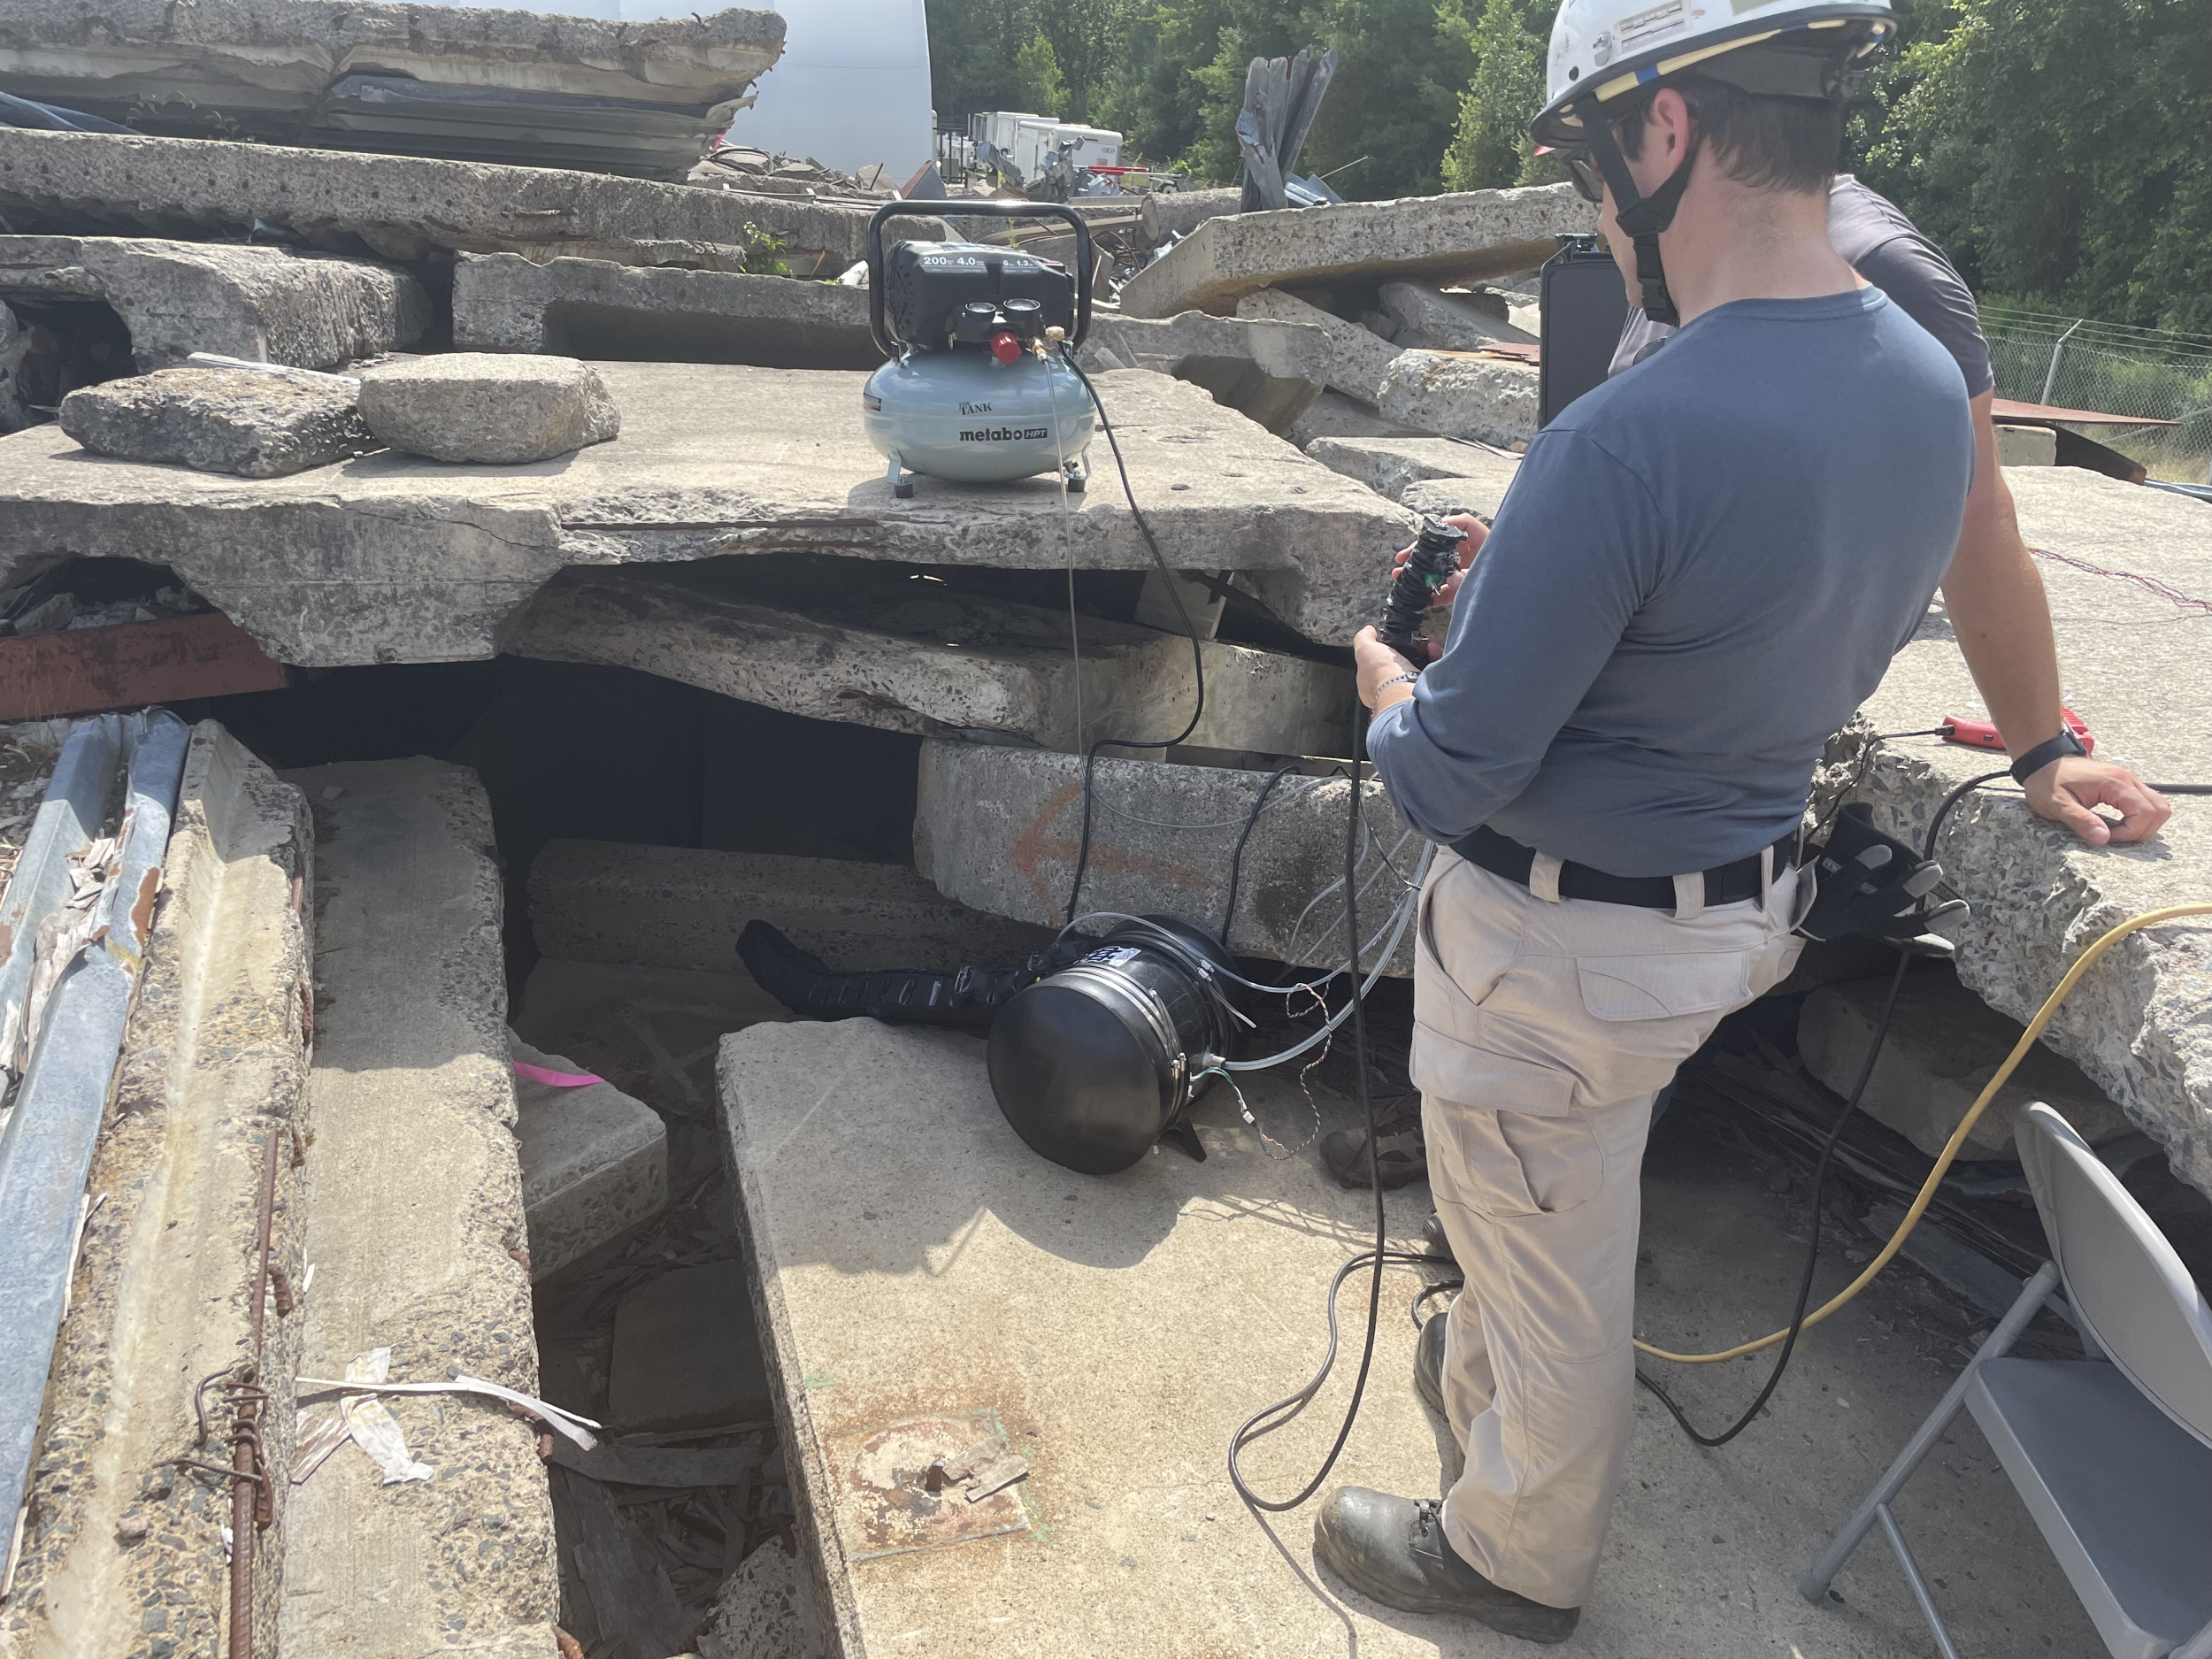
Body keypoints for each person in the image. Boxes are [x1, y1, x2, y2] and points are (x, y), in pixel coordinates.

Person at [1310, 0, 1978, 1640]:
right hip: (1724, 918)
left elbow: (1451, 770)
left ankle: (1508, 1554)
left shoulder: (1623, 437)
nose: (1603, 222)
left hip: (1559, 948)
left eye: (1596, 179)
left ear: (1663, 133)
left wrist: (1388, 676)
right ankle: (1481, 1394)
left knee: (1549, 1265)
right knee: (1540, 1208)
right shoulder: (1925, 389)